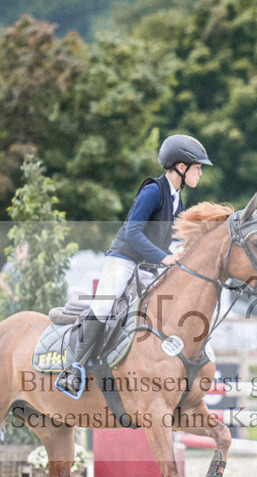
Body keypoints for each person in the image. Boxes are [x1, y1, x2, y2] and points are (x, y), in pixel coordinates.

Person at [56, 134, 212, 394]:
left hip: (147, 268)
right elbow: (133, 233)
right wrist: (163, 258)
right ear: (181, 167)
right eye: (197, 168)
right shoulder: (153, 191)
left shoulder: (177, 201)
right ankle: (72, 369)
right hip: (124, 258)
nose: (200, 174)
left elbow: (167, 241)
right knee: (106, 304)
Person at [0, 241, 28, 317]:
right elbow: (1, 280)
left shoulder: (29, 267)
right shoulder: (11, 266)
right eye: (21, 250)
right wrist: (11, 294)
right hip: (13, 304)